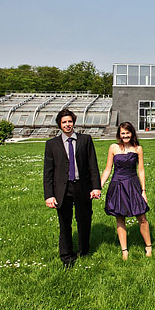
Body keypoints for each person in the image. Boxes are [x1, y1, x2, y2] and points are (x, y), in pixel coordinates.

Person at [43, 109, 101, 269]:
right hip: (62, 189)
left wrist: (96, 187)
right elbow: (47, 172)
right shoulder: (52, 144)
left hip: (82, 187)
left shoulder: (85, 140)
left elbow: (92, 166)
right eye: (64, 122)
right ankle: (66, 256)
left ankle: (83, 251)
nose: (67, 125)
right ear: (59, 125)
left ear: (73, 122)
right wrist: (49, 195)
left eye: (70, 121)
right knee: (65, 223)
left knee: (84, 220)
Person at [101, 122, 152, 260]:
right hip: (117, 185)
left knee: (142, 217)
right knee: (120, 217)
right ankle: (124, 251)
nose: (125, 136)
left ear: (132, 133)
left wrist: (143, 190)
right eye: (123, 133)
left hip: (133, 185)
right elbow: (107, 169)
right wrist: (99, 185)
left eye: (127, 133)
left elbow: (141, 170)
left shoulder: (138, 149)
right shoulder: (113, 147)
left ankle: (148, 247)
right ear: (119, 134)